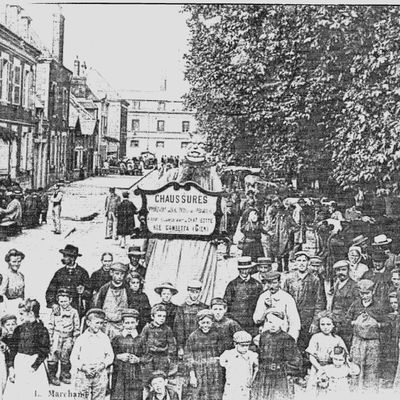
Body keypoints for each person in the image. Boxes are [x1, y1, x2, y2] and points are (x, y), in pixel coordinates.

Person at [250, 310, 302, 400]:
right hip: (263, 376)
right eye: (270, 322)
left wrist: (281, 367)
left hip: (279, 377)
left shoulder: (287, 339)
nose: (273, 325)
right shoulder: (264, 336)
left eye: (276, 322)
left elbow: (296, 361)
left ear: (281, 322)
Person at [345, 279, 387, 392]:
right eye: (362, 293)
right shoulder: (355, 304)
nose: (364, 296)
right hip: (357, 341)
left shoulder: (378, 305)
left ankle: (370, 392)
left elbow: (387, 323)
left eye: (367, 293)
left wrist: (377, 324)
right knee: (356, 366)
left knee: (372, 367)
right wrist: (354, 322)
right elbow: (347, 319)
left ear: (372, 292)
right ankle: (355, 391)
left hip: (372, 342)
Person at [283, 251, 324, 364]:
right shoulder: (289, 279)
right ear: (295, 263)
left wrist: (315, 322)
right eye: (299, 260)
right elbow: (283, 299)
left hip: (308, 318)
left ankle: (304, 370)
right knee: (291, 343)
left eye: (304, 261)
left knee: (306, 344)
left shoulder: (315, 280)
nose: (301, 263)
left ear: (308, 263)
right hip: (291, 317)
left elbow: (319, 302)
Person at [6, 299, 50, 399]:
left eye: (22, 314)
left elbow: (44, 350)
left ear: (30, 313)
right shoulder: (18, 329)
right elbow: (13, 349)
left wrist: (34, 366)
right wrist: (11, 367)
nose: (20, 317)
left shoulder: (42, 330)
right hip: (20, 363)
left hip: (34, 366)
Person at [70, 308, 114, 400]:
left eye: (101, 323)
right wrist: (83, 367)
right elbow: (73, 357)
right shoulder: (81, 339)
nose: (99, 326)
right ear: (88, 323)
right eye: (97, 323)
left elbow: (110, 355)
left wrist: (102, 365)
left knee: (99, 397)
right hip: (84, 373)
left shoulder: (104, 338)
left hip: (100, 373)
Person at [185, 309, 224, 400]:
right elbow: (188, 356)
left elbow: (222, 352)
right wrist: (192, 375)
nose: (205, 325)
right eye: (203, 322)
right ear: (198, 323)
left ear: (212, 322)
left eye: (208, 322)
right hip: (199, 371)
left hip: (214, 371)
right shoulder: (193, 336)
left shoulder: (217, 335)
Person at [305, 311, 348, 394]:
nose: (325, 327)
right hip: (317, 368)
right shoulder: (316, 337)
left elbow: (345, 355)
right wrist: (319, 368)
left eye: (328, 324)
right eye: (323, 324)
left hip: (333, 368)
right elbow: (311, 356)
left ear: (333, 325)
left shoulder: (337, 339)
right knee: (315, 391)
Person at [253, 271, 301, 341]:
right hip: (266, 336)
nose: (271, 286)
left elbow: (295, 322)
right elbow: (256, 320)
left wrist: (291, 339)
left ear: (279, 283)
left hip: (282, 336)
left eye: (274, 283)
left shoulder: (287, 298)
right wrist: (266, 309)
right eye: (269, 283)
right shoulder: (263, 296)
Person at [46, 244, 91, 318]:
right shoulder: (59, 273)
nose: (63, 258)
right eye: (64, 256)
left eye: (66, 256)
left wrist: (83, 291)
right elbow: (51, 290)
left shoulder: (82, 273)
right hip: (60, 309)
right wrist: (53, 303)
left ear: (73, 258)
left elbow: (89, 291)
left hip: (76, 309)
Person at [47, 288, 80, 386]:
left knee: (66, 355)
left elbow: (76, 326)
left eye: (65, 301)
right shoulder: (55, 311)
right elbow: (51, 324)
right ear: (58, 301)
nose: (63, 303)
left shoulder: (74, 312)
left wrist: (75, 338)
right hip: (57, 335)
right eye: (61, 301)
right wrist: (50, 336)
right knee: (54, 355)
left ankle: (64, 374)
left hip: (68, 337)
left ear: (70, 300)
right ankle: (52, 375)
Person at [223, 256, 263, 335]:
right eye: (242, 269)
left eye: (247, 269)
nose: (244, 271)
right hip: (237, 322)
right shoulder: (232, 285)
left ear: (250, 269)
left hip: (253, 324)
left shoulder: (257, 284)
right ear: (239, 270)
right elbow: (226, 304)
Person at [95, 262, 134, 339]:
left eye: (122, 274)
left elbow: (131, 306)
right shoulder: (104, 289)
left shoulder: (127, 289)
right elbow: (98, 308)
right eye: (117, 274)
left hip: (122, 326)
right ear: (111, 273)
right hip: (106, 325)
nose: (119, 277)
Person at [111, 309, 143, 400]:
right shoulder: (117, 339)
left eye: (132, 322)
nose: (130, 326)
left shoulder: (141, 339)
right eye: (127, 322)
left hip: (136, 375)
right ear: (123, 323)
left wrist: (138, 359)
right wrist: (118, 357)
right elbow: (109, 355)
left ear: (137, 323)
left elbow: (148, 356)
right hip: (119, 375)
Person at [141, 304, 177, 386]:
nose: (162, 318)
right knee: (148, 382)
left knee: (161, 380)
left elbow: (172, 345)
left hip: (162, 358)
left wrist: (169, 357)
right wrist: (146, 355)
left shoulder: (167, 329)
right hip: (150, 358)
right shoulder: (147, 328)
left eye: (164, 316)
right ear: (153, 316)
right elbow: (142, 343)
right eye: (159, 316)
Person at [327, 260, 358, 349]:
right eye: (338, 270)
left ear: (348, 271)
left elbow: (357, 306)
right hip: (334, 322)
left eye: (343, 270)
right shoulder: (336, 285)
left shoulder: (354, 285)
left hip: (346, 324)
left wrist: (349, 321)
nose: (340, 272)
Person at [173, 279, 207, 359]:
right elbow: (179, 329)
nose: (194, 295)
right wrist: (180, 347)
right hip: (186, 343)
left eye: (197, 292)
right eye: (192, 292)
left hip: (201, 342)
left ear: (200, 292)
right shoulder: (181, 308)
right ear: (188, 291)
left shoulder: (204, 307)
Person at [219, 330, 258, 400]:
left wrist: (252, 380)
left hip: (245, 386)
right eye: (242, 345)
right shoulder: (228, 354)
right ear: (235, 344)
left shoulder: (252, 355)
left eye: (247, 345)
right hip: (231, 385)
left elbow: (256, 368)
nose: (245, 348)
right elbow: (222, 364)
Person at [0, 249, 25, 316]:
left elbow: (22, 294)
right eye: (14, 262)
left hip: (19, 306)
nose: (17, 264)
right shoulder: (5, 275)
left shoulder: (21, 275)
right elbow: (1, 294)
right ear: (8, 262)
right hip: (8, 306)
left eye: (19, 261)